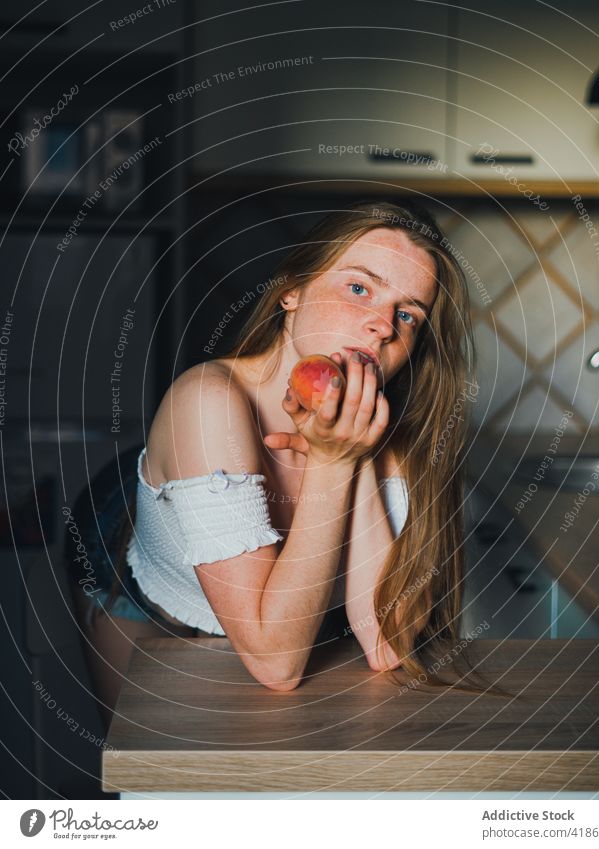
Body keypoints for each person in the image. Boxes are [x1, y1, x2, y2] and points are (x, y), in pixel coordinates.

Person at [70, 199, 482, 727]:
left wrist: (351, 457)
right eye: (359, 288)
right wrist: (334, 461)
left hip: (281, 599)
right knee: (143, 761)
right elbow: (277, 664)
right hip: (143, 582)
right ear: (293, 289)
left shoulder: (386, 436)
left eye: (407, 315)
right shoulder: (206, 401)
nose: (381, 325)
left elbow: (388, 644)